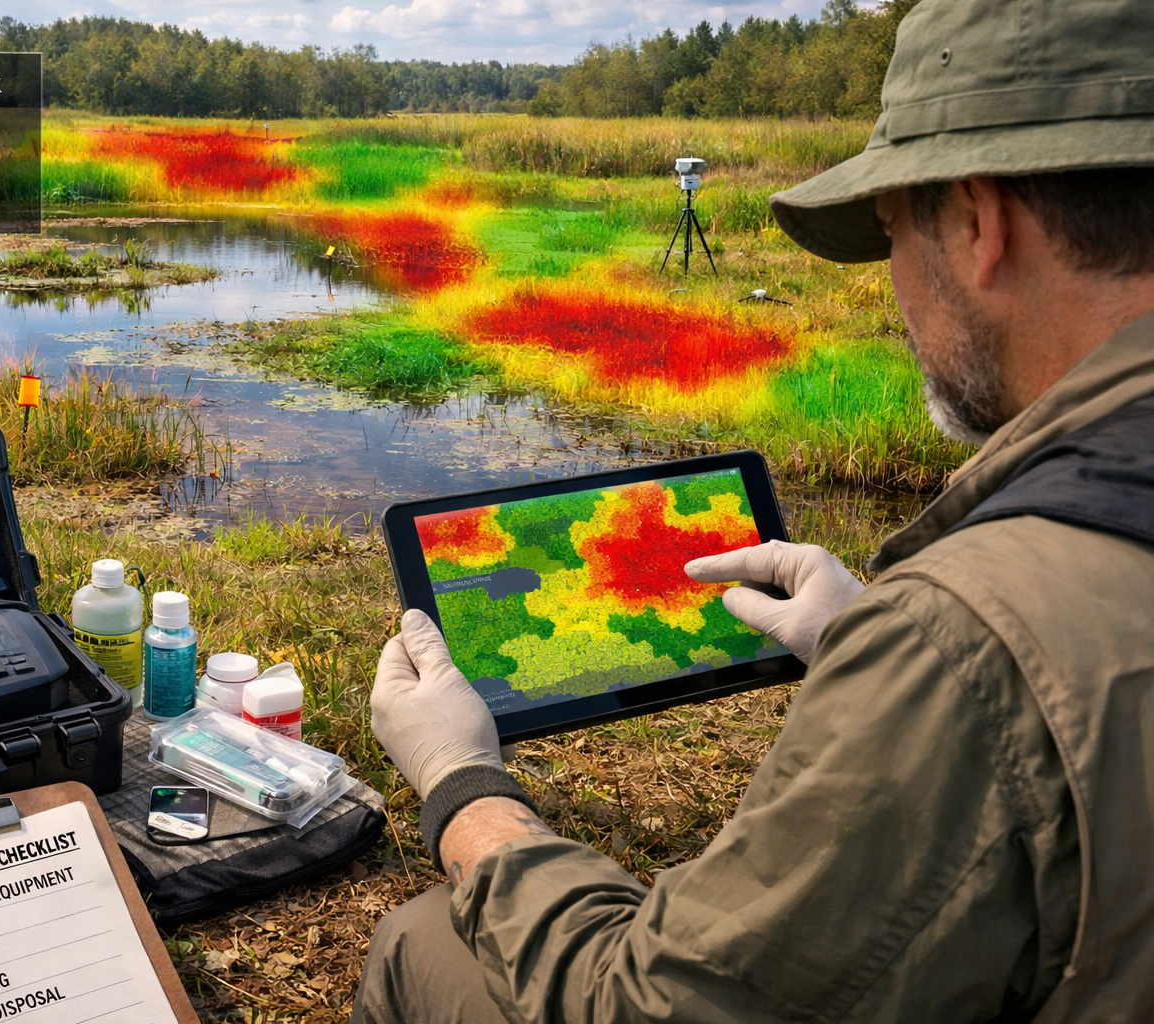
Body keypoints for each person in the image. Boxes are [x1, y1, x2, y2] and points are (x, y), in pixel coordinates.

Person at [352, 0, 1154, 1020]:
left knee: (424, 940)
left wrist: (465, 783)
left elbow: (649, 1007)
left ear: (976, 220)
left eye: (891, 228)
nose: (895, 285)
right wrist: (866, 636)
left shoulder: (971, 642)